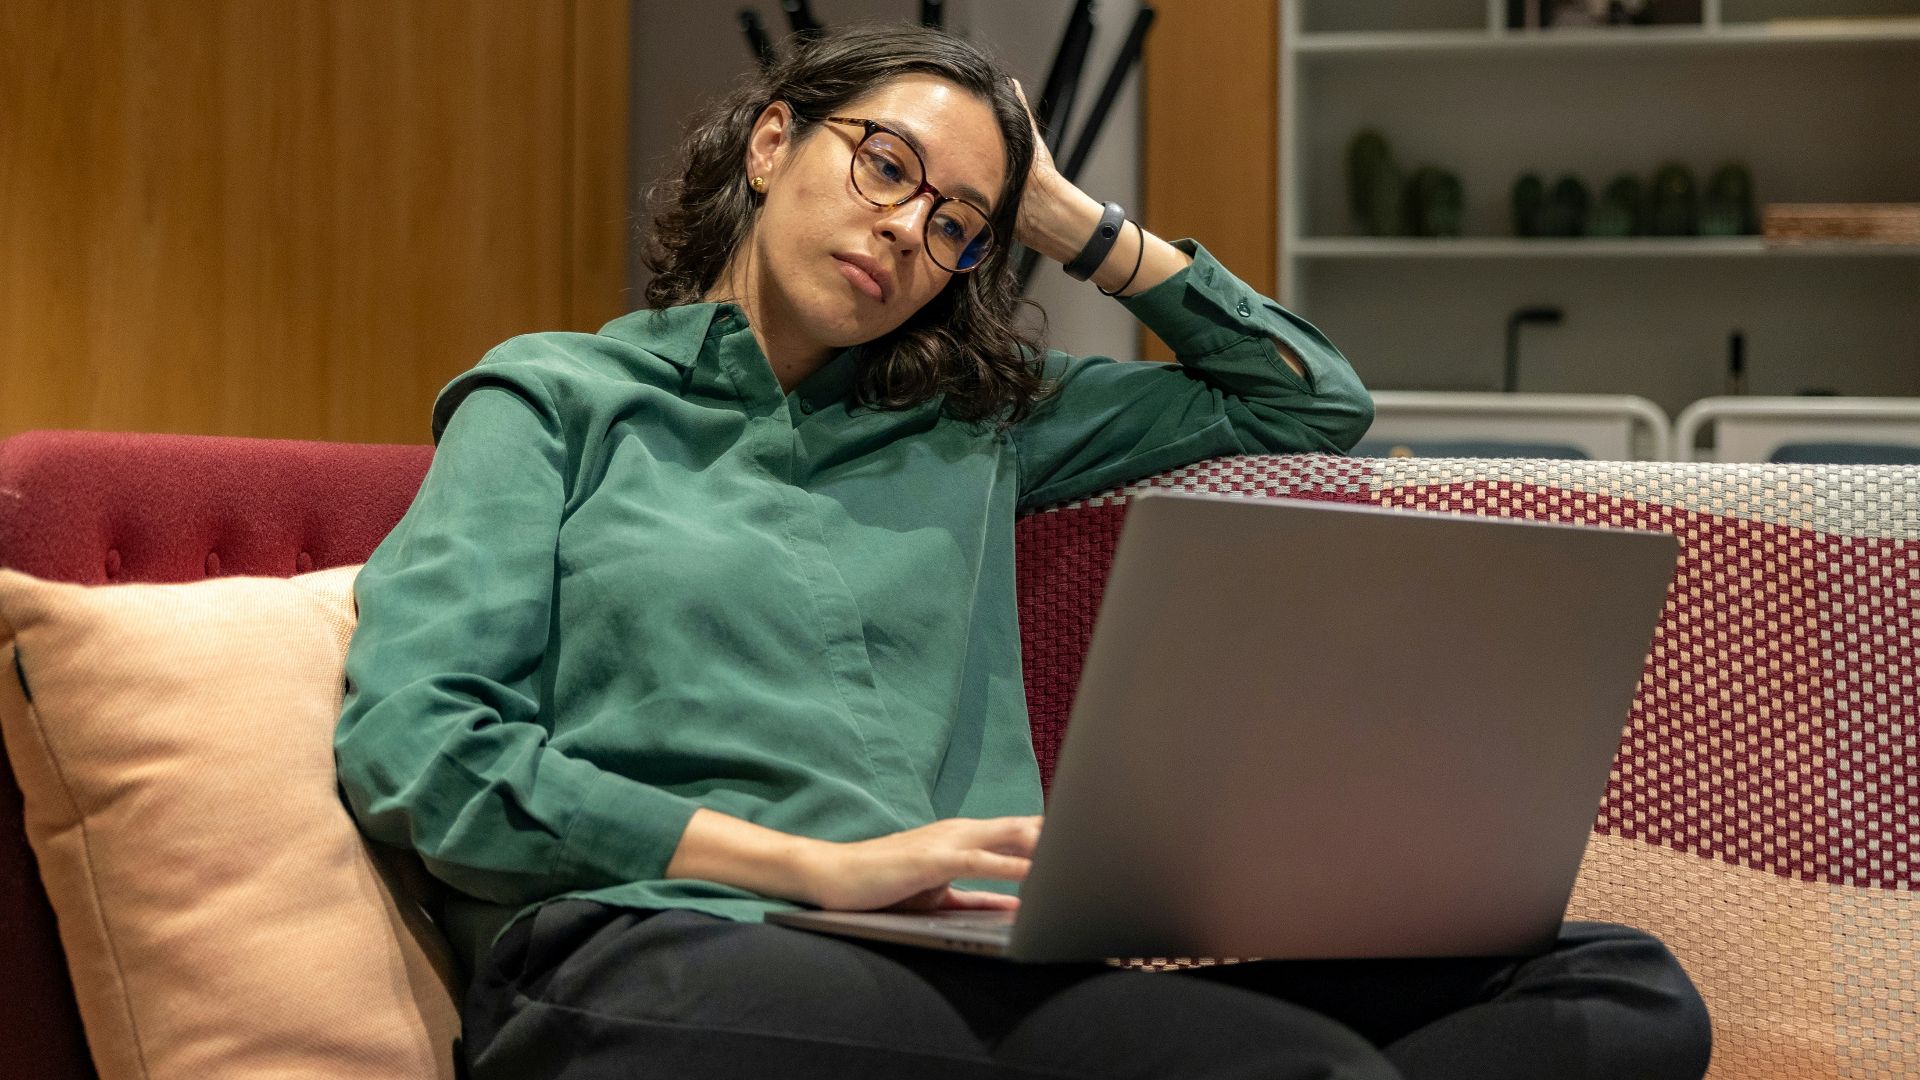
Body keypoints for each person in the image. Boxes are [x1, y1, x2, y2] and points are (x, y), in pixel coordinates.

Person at [334, 23, 1710, 1080]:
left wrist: (1073, 221)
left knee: (1621, 999)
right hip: (659, 952)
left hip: (963, 956)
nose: (904, 227)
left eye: (954, 226)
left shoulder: (971, 429)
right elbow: (419, 746)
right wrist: (809, 868)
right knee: (1290, 1067)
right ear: (770, 145)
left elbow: (1307, 399)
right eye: (886, 164)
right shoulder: (555, 398)